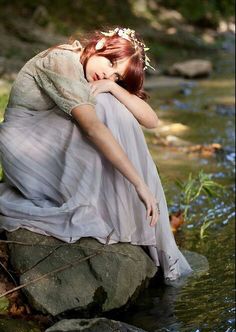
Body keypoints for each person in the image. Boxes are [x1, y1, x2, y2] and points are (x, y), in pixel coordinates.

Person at [0, 27, 192, 284]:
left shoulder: (97, 76)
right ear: (100, 43)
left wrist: (114, 88)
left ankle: (125, 214)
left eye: (117, 75)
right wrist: (139, 184)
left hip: (41, 139)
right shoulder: (62, 60)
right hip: (21, 143)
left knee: (112, 102)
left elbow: (151, 120)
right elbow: (91, 128)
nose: (108, 74)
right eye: (111, 63)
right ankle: (121, 209)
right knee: (102, 108)